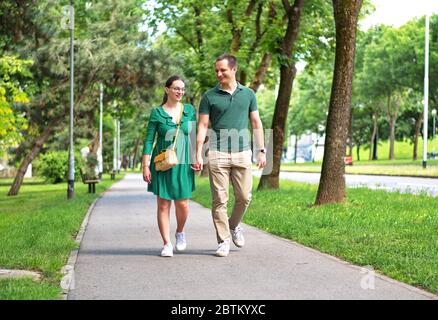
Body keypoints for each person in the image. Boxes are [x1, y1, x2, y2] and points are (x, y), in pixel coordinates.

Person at [195, 54, 266, 257]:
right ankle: (223, 240)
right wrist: (198, 153)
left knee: (244, 197)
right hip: (217, 152)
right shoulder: (209, 96)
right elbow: (202, 126)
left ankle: (234, 225)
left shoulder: (248, 94)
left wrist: (261, 150)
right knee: (219, 200)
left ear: (234, 69)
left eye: (222, 70)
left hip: (243, 152)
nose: (218, 74)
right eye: (216, 70)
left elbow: (256, 123)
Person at [142, 75, 197, 257]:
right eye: (176, 88)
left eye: (182, 89)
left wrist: (198, 157)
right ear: (167, 89)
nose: (180, 91)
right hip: (162, 162)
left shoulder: (189, 110)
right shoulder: (157, 113)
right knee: (163, 204)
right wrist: (145, 165)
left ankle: (180, 231)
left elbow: (195, 136)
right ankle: (166, 243)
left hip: (183, 162)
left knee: (183, 203)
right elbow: (149, 139)